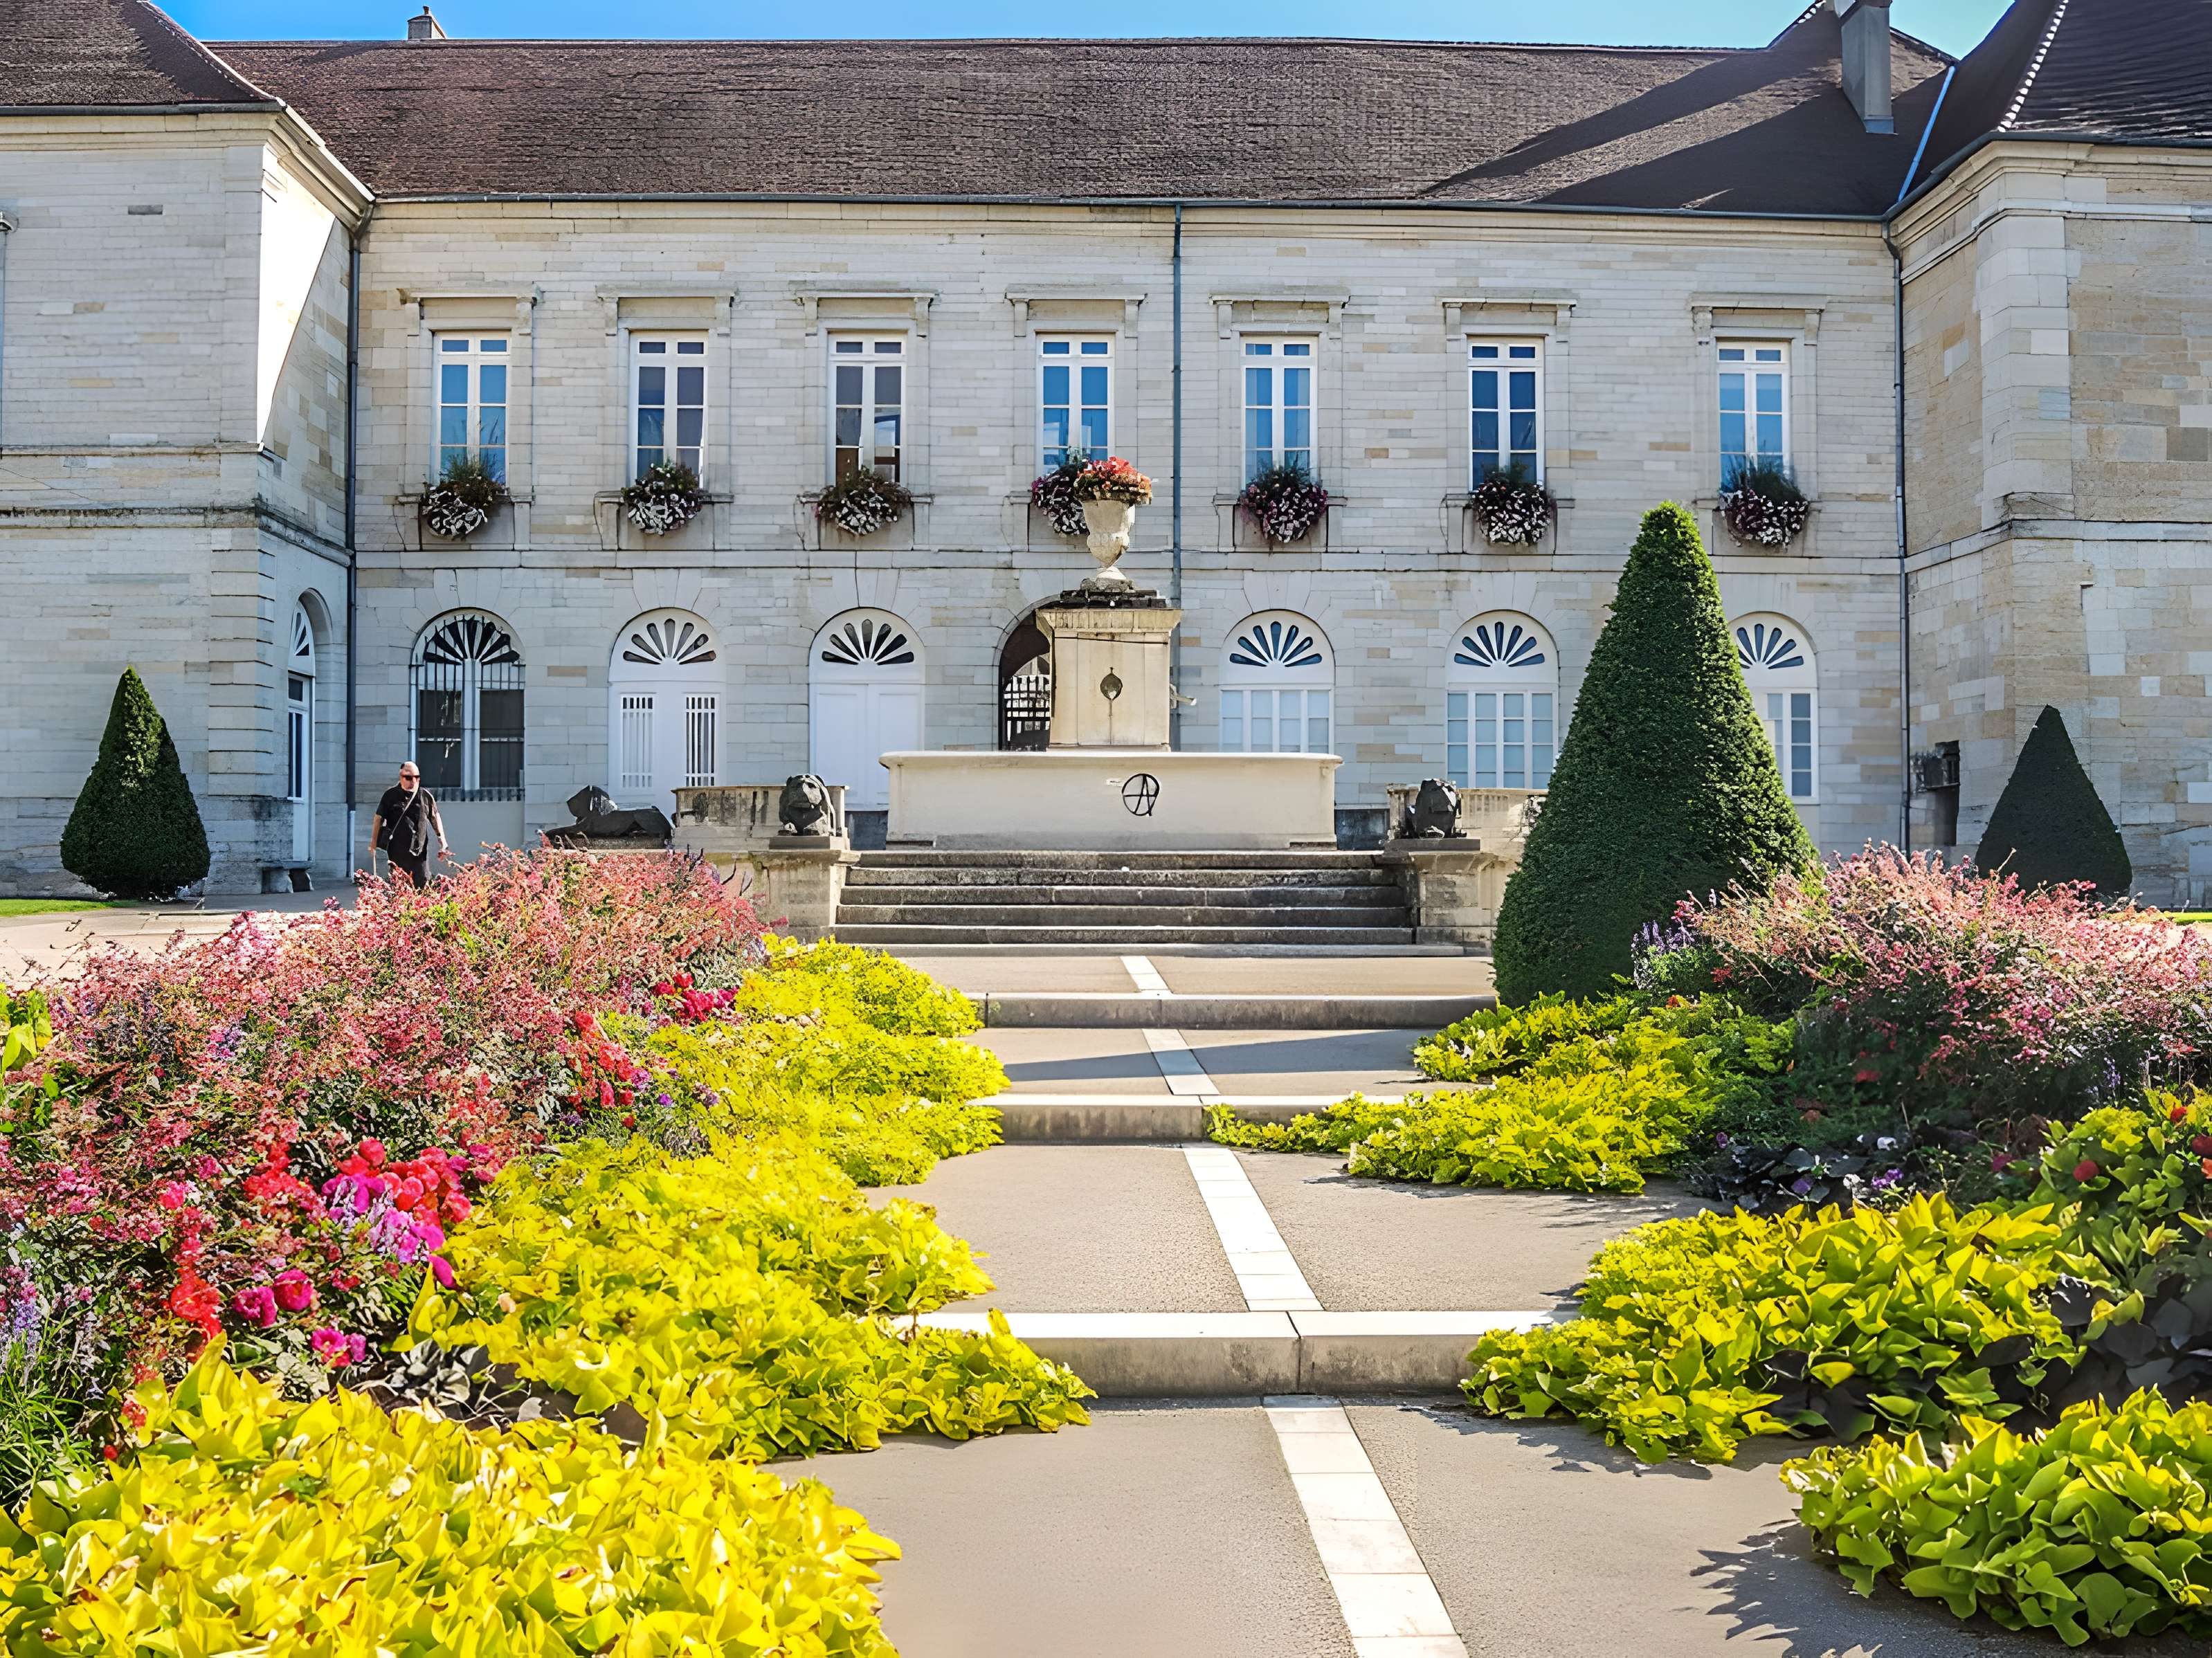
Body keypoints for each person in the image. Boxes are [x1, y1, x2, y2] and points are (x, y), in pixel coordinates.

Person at [368, 761, 451, 887]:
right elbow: (378, 818)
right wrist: (373, 843)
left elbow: (435, 817)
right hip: (397, 852)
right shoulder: (390, 796)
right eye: (409, 777)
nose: (414, 781)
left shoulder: (425, 796)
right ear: (401, 777)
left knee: (421, 887)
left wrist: (443, 842)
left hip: (419, 853)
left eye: (417, 777)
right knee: (399, 887)